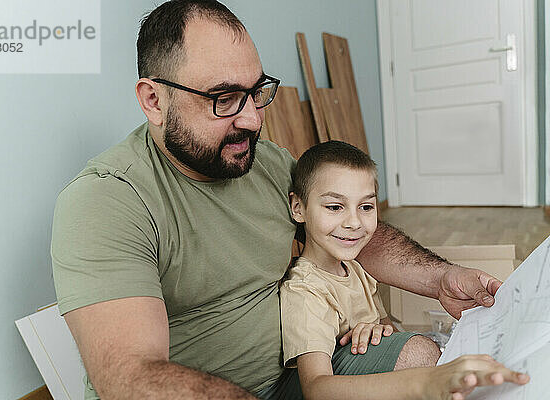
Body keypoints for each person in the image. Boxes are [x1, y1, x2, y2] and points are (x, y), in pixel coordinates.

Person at [50, 1, 528, 399]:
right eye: (224, 98)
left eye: (256, 92)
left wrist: (440, 278)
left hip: (300, 366)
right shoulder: (108, 201)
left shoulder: (265, 162)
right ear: (153, 100)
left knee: (423, 359)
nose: (253, 120)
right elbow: (131, 378)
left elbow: (348, 227)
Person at [279, 141, 441, 399]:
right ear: (299, 208)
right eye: (334, 207)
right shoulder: (305, 291)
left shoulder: (356, 270)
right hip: (327, 388)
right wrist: (419, 379)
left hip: (363, 370)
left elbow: (389, 330)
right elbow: (316, 388)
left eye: (366, 207)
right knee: (420, 353)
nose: (354, 222)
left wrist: (380, 332)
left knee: (425, 349)